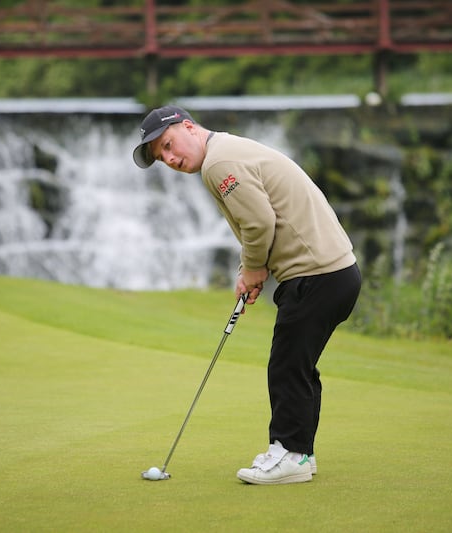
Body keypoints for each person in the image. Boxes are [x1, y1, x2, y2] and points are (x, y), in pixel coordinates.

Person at [132, 105, 361, 485]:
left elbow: (258, 222)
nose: (170, 159)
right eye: (162, 156)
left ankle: (290, 455)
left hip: (317, 273)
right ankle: (298, 453)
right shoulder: (226, 151)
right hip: (333, 272)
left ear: (188, 126)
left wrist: (253, 268)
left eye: (169, 145)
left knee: (287, 366)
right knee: (296, 365)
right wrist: (248, 269)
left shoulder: (218, 163)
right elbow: (257, 220)